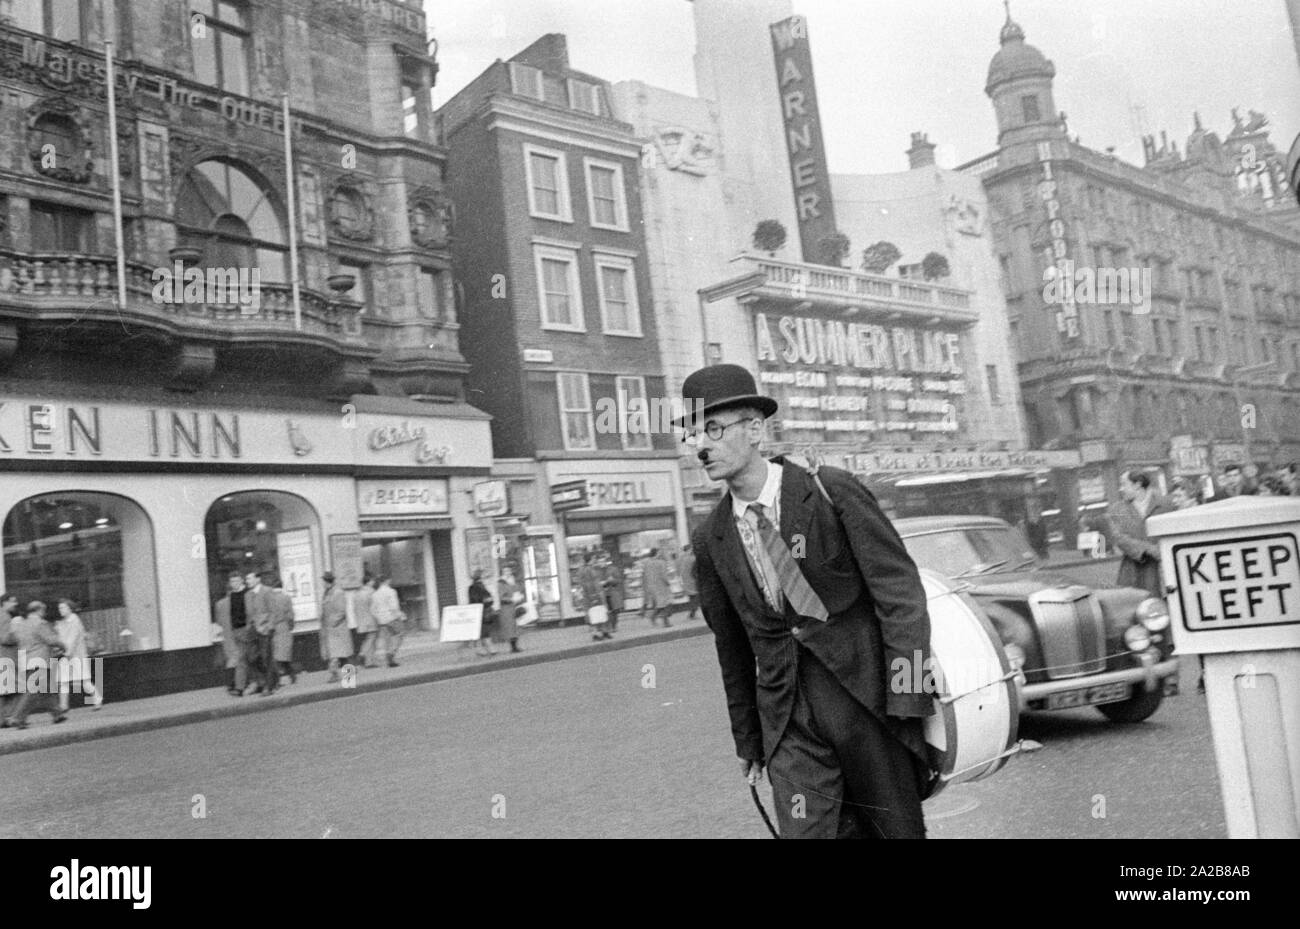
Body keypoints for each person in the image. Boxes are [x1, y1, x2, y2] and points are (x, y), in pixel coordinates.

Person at [678, 364, 934, 839]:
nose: (700, 445)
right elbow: (731, 647)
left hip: (867, 704)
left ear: (755, 429)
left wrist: (909, 695)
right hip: (788, 723)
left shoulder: (828, 490)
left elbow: (901, 595)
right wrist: (749, 738)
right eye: (692, 433)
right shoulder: (711, 537)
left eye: (713, 428)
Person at [1109, 470, 1173, 598]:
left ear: (1137, 485)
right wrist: (1149, 549)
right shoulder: (1117, 509)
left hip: (1163, 569)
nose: (1121, 489)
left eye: (1124, 484)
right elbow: (1119, 538)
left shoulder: (1165, 505)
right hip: (1133, 571)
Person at [3, 602, 68, 729]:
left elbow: (8, 639)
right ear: (39, 610)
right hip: (40, 660)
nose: (44, 613)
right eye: (43, 610)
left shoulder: (21, 624)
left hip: (26, 661)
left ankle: (57, 714)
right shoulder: (40, 623)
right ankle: (18, 718)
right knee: (33, 691)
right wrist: (63, 646)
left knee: (47, 689)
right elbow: (51, 640)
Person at [54, 599, 102, 712]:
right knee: (64, 681)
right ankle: (63, 705)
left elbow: (73, 639)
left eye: (63, 608)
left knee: (83, 680)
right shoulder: (64, 622)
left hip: (76, 656)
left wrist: (66, 652)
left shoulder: (74, 621)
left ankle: (97, 699)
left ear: (70, 608)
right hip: (67, 655)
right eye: (60, 608)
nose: (60, 610)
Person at [214, 572, 250, 696]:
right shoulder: (240, 599)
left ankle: (231, 684)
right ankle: (241, 684)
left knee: (233, 658)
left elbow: (218, 621)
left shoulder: (219, 604)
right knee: (241, 658)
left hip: (228, 634)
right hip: (239, 631)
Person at [243, 570, 276, 696]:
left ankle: (268, 686)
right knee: (251, 657)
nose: (247, 582)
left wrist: (269, 627)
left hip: (264, 629)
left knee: (266, 657)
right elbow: (249, 614)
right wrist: (248, 626)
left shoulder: (267, 591)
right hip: (252, 630)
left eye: (249, 579)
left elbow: (273, 611)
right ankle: (266, 681)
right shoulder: (248, 595)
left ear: (258, 579)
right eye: (246, 579)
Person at [318, 572, 351, 682]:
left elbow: (341, 611)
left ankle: (338, 676)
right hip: (330, 630)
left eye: (324, 581)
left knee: (337, 655)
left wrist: (332, 623)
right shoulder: (327, 593)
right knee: (340, 654)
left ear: (329, 582)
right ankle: (348, 679)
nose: (323, 584)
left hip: (337, 628)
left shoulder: (338, 593)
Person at [268, 575, 297, 686]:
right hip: (284, 627)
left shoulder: (271, 599)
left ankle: (349, 683)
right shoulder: (286, 598)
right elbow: (290, 615)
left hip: (275, 627)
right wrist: (290, 626)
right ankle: (349, 682)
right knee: (283, 654)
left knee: (279, 655)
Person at [372, 576, 404, 668]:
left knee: (387, 639)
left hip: (382, 620)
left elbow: (373, 609)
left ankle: (386, 656)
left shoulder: (375, 594)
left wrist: (378, 617)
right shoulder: (391, 592)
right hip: (392, 618)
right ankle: (391, 654)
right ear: (387, 580)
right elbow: (394, 606)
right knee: (399, 635)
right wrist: (400, 615)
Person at [577, 554, 609, 641]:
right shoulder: (589, 570)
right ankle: (598, 634)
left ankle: (599, 633)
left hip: (589, 595)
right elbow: (592, 583)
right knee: (597, 614)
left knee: (594, 614)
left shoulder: (583, 569)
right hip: (593, 595)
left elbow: (583, 583)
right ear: (590, 560)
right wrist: (596, 594)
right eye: (593, 559)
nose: (594, 560)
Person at [640, 548, 674, 627]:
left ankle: (653, 618)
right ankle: (665, 622)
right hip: (661, 586)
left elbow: (645, 575)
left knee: (660, 604)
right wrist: (668, 583)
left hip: (652, 586)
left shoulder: (647, 563)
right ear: (657, 553)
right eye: (659, 552)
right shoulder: (661, 562)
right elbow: (663, 575)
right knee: (666, 603)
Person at [1, 593, 21, 721]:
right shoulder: (5, 617)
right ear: (5, 602)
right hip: (6, 656)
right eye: (13, 601)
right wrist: (17, 635)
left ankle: (4, 719)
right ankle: (12, 717)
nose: (15, 604)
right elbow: (5, 638)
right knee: (14, 690)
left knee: (5, 690)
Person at [468, 571, 498, 657]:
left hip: (482, 611)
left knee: (482, 630)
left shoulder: (477, 587)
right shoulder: (474, 587)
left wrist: (488, 600)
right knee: (482, 630)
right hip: (480, 611)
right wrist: (486, 601)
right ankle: (487, 648)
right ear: (479, 578)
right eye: (483, 577)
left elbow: (487, 598)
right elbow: (476, 600)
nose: (484, 579)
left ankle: (483, 649)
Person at [353, 575, 379, 668]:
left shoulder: (357, 593)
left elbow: (354, 609)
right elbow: (375, 607)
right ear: (368, 582)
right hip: (371, 619)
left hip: (361, 620)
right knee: (371, 638)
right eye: (372, 580)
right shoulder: (371, 592)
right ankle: (362, 655)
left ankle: (369, 662)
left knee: (368, 639)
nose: (373, 582)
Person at [495, 568, 523, 654]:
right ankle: (513, 647)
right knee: (510, 628)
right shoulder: (501, 583)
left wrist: (519, 596)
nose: (509, 573)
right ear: (502, 573)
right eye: (506, 571)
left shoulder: (511, 581)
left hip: (513, 606)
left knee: (514, 627)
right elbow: (501, 597)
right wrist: (511, 599)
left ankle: (515, 646)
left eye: (509, 571)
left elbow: (517, 591)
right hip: (506, 608)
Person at [603, 558, 626, 635]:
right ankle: (609, 626)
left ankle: (613, 626)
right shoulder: (597, 570)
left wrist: (611, 581)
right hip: (605, 594)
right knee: (609, 611)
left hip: (612, 593)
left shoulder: (613, 569)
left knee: (614, 611)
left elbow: (618, 580)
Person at [679, 544, 699, 619]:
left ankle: (692, 613)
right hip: (692, 580)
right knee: (695, 597)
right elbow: (695, 570)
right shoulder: (692, 558)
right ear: (689, 550)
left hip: (685, 580)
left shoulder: (681, 558)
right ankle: (692, 613)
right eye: (691, 549)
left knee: (692, 597)